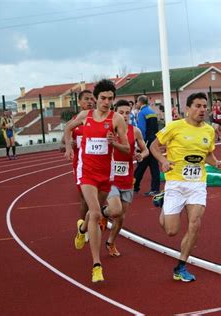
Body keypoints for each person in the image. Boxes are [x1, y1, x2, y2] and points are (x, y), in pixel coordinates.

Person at [150, 92, 221, 282]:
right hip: (175, 183)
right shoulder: (175, 127)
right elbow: (153, 146)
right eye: (198, 106)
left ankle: (181, 266)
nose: (202, 110)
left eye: (204, 106)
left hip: (197, 184)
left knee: (195, 223)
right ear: (188, 108)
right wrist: (163, 161)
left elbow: (207, 154)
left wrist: (215, 162)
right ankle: (164, 200)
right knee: (171, 231)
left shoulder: (208, 130)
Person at [64, 79, 129, 283]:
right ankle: (96, 265)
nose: (106, 102)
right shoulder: (86, 116)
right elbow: (67, 128)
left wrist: (114, 143)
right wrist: (68, 147)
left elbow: (127, 148)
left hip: (105, 175)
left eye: (110, 98)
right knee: (95, 213)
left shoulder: (117, 119)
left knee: (96, 213)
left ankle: (82, 229)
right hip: (87, 173)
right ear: (96, 98)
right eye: (103, 98)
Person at [102, 99, 149, 257]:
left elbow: (146, 150)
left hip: (127, 178)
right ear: (115, 113)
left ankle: (111, 242)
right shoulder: (108, 130)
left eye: (127, 113)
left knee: (121, 217)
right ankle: (103, 212)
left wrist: (140, 155)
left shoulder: (135, 131)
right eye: (121, 113)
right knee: (115, 210)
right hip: (110, 178)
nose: (124, 116)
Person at [65, 89, 95, 220]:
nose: (90, 102)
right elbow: (63, 142)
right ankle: (83, 227)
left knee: (99, 197)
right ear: (79, 102)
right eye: (86, 99)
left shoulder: (99, 117)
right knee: (85, 197)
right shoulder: (74, 121)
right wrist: (68, 146)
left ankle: (94, 219)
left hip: (98, 162)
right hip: (80, 164)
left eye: (91, 99)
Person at [133, 95, 161, 197]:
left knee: (141, 165)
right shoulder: (153, 112)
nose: (136, 104)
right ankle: (155, 188)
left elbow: (141, 130)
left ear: (140, 102)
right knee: (154, 166)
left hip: (146, 142)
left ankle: (134, 187)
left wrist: (140, 145)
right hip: (154, 142)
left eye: (136, 102)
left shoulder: (141, 113)